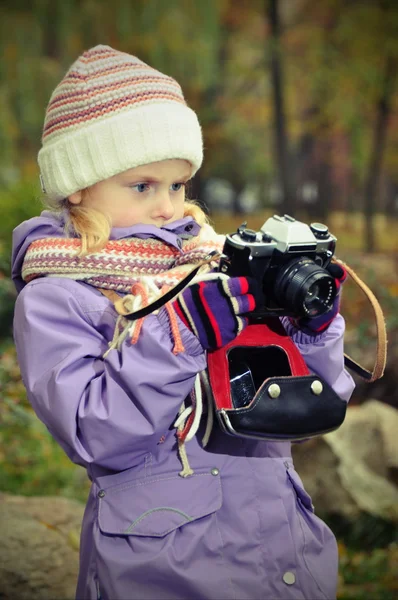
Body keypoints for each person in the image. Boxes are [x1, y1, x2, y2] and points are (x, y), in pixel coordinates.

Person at [12, 45, 355, 600]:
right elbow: (96, 435)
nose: (168, 208)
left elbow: (315, 403)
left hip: (281, 550)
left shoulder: (209, 263)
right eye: (142, 186)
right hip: (166, 568)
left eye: (177, 186)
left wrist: (308, 327)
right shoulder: (59, 297)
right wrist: (182, 332)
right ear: (79, 185)